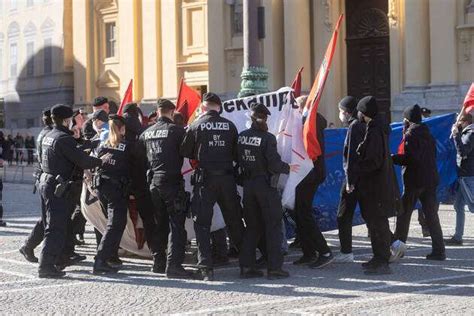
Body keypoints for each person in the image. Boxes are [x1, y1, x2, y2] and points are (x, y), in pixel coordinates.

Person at [180, 92, 244, 281]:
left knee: (202, 224)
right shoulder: (230, 125)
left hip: (205, 180)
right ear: (218, 107)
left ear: (203, 107)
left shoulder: (196, 124)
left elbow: (185, 151)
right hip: (226, 179)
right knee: (234, 221)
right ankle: (247, 264)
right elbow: (236, 153)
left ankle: (205, 267)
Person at [38, 104, 103, 278]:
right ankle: (46, 266)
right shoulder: (63, 138)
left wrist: (90, 144)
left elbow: (69, 152)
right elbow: (81, 160)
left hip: (47, 182)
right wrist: (101, 160)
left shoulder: (50, 135)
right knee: (55, 227)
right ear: (67, 120)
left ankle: (57, 260)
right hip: (57, 186)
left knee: (53, 225)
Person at [238, 103, 297, 279]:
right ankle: (274, 268)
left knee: (253, 227)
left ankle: (246, 267)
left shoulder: (241, 137)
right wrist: (289, 168)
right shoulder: (268, 138)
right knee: (273, 226)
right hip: (266, 186)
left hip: (249, 187)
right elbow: (274, 164)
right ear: (264, 119)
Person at [138, 99, 192, 279]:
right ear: (172, 111)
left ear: (157, 111)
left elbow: (140, 159)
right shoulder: (177, 131)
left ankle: (158, 262)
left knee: (159, 224)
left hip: (153, 183)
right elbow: (188, 153)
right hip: (172, 182)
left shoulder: (145, 133)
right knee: (176, 225)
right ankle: (174, 265)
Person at [390, 104, 445, 261]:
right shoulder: (428, 134)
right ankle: (439, 251)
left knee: (403, 216)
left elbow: (411, 159)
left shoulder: (411, 135)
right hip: (430, 180)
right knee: (432, 216)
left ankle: (398, 250)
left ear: (407, 119)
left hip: (415, 181)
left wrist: (393, 158)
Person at [355, 96, 400, 275]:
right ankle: (378, 257)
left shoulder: (375, 131)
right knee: (375, 223)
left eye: (359, 111)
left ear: (364, 113)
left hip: (375, 186)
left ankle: (382, 260)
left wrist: (358, 166)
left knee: (378, 223)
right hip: (377, 185)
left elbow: (373, 161)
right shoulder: (376, 128)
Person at [292, 96, 333, 269]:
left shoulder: (311, 122)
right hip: (308, 173)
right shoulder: (312, 120)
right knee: (300, 212)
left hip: (310, 174)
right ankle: (308, 252)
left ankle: (324, 251)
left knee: (304, 213)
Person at [93, 115, 133, 274]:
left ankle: (110, 256)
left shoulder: (102, 145)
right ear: (122, 129)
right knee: (115, 224)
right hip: (116, 189)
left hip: (102, 187)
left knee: (115, 223)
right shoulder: (127, 146)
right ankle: (100, 260)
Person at [19, 108, 53, 262]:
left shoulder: (44, 133)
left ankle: (29, 245)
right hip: (46, 179)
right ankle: (28, 245)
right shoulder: (49, 134)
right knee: (48, 218)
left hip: (42, 178)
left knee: (47, 217)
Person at [335, 96, 366, 263]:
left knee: (343, 215)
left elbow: (350, 156)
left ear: (346, 112)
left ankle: (346, 251)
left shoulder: (354, 127)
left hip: (353, 179)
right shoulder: (364, 125)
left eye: (340, 111)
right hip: (364, 177)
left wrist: (349, 181)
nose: (340, 115)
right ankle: (395, 244)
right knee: (370, 215)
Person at [445, 113, 474, 245]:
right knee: (458, 205)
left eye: (460, 121)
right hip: (463, 175)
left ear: (465, 121)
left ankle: (457, 237)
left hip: (468, 176)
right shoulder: (467, 131)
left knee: (472, 206)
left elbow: (463, 152)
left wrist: (456, 134)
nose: (458, 124)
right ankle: (458, 237)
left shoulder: (470, 133)